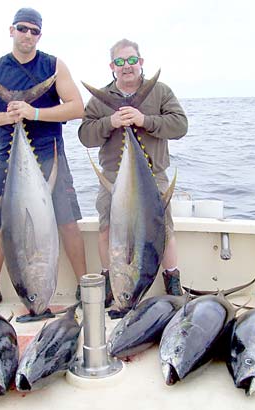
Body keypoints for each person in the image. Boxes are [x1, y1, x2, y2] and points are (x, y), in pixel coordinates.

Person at [0, 7, 87, 309]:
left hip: (51, 155)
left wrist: (34, 113)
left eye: (34, 31)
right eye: (23, 29)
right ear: (12, 31)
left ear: (40, 35)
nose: (28, 35)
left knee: (67, 220)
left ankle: (85, 283)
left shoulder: (54, 65)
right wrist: (6, 117)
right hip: (8, 155)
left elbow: (76, 108)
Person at [78, 38, 188, 302]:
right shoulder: (98, 100)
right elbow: (85, 136)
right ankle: (108, 279)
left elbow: (180, 125)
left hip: (153, 175)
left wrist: (144, 120)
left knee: (163, 230)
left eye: (131, 60)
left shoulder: (160, 92)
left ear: (140, 62)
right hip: (113, 179)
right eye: (119, 61)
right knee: (107, 229)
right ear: (112, 66)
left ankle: (172, 280)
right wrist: (110, 122)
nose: (126, 66)